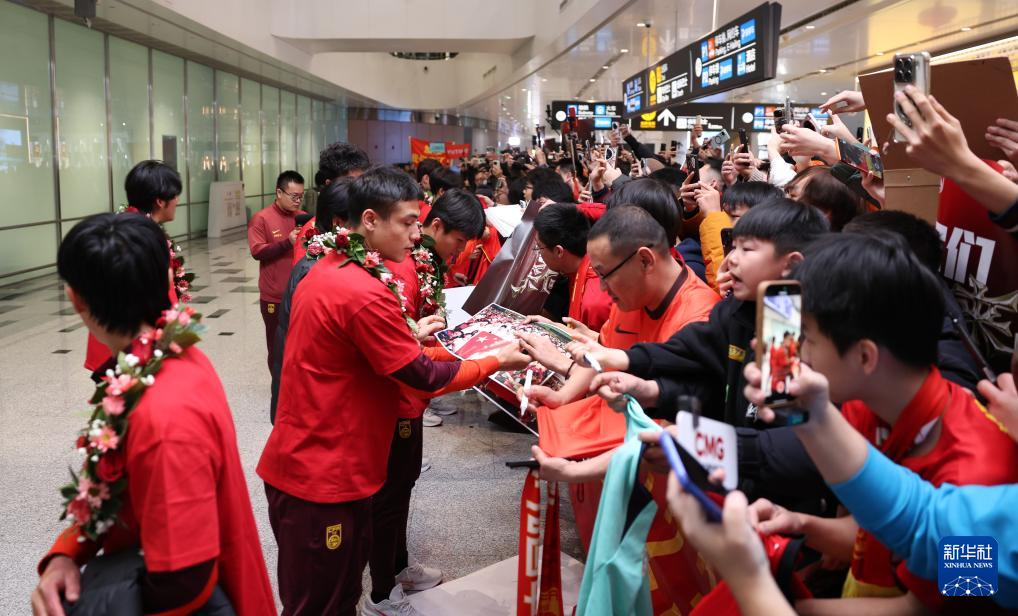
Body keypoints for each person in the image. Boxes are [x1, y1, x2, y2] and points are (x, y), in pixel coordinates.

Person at [257, 166, 529, 616]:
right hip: (321, 476)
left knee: (340, 595)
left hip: (327, 464)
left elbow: (376, 350)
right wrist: (495, 361)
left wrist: (411, 335)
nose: (417, 234)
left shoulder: (334, 266)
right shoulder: (361, 289)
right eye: (407, 222)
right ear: (369, 220)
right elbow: (423, 376)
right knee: (320, 604)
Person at [746, 233, 1018, 613]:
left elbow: (931, 610)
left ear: (865, 357)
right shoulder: (865, 404)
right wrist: (799, 524)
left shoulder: (984, 478)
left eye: (807, 338)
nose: (798, 352)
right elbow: (883, 533)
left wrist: (764, 602)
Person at [34, 214, 275, 616]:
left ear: (75, 299)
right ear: (167, 279)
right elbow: (110, 487)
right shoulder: (166, 356)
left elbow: (183, 580)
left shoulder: (163, 417)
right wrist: (66, 554)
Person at [520, 205, 720, 613]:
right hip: (618, 468)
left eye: (605, 274)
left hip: (667, 482)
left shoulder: (699, 317)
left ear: (645, 259)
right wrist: (563, 396)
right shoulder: (630, 298)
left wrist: (577, 471)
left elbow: (667, 428)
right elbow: (603, 354)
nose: (602, 289)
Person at [571, 199, 831, 506]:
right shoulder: (743, 310)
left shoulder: (785, 325)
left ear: (790, 264)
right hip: (743, 493)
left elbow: (779, 433)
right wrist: (649, 386)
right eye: (732, 246)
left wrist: (699, 445)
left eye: (746, 249)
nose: (730, 260)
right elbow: (699, 362)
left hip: (778, 506)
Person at [365, 188, 487, 612]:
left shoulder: (424, 262)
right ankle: (382, 592)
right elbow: (402, 350)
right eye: (458, 242)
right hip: (401, 396)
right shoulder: (403, 267)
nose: (458, 253)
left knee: (403, 485)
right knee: (391, 494)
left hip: (412, 397)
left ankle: (398, 566)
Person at [83, 160, 184, 373]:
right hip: (130, 344)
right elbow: (160, 294)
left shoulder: (122, 227)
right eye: (175, 195)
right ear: (160, 201)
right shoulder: (144, 238)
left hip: (111, 336)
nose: (178, 200)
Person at [269, 178, 355, 423]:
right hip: (312, 405)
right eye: (367, 219)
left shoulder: (332, 262)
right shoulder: (317, 273)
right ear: (339, 223)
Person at [249, 170, 306, 370]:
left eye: (301, 196)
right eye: (294, 196)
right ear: (279, 193)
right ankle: (278, 385)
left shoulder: (303, 218)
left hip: (300, 295)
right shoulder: (261, 218)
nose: (298, 201)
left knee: (298, 346)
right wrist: (286, 243)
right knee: (276, 347)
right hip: (274, 297)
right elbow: (257, 251)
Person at [531, 203, 612, 332]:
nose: (538, 253)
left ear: (559, 251)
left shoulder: (594, 303)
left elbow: (595, 343)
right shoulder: (580, 265)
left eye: (539, 247)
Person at [293, 143, 370, 263]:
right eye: (351, 184)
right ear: (330, 185)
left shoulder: (370, 221)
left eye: (363, 183)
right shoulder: (310, 234)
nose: (360, 191)